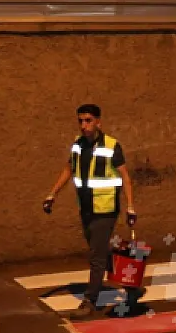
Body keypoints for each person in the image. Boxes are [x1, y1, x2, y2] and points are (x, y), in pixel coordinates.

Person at [42, 104, 137, 319]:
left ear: (98, 122)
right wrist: (52, 194)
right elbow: (69, 169)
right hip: (86, 208)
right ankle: (132, 285)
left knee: (96, 255)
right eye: (81, 121)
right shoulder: (77, 145)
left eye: (88, 120)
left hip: (105, 209)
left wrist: (130, 207)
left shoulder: (112, 146)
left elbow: (125, 178)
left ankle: (90, 300)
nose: (84, 125)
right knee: (100, 251)